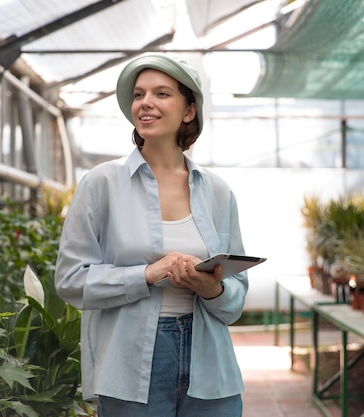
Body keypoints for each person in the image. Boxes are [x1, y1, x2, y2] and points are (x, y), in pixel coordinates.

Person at [54, 53, 248, 417]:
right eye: (139, 94)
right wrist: (147, 274)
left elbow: (236, 300)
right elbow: (69, 282)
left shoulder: (218, 192)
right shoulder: (102, 184)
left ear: (189, 110)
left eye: (161, 93)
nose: (145, 102)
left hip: (210, 363)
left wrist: (213, 290)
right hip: (131, 363)